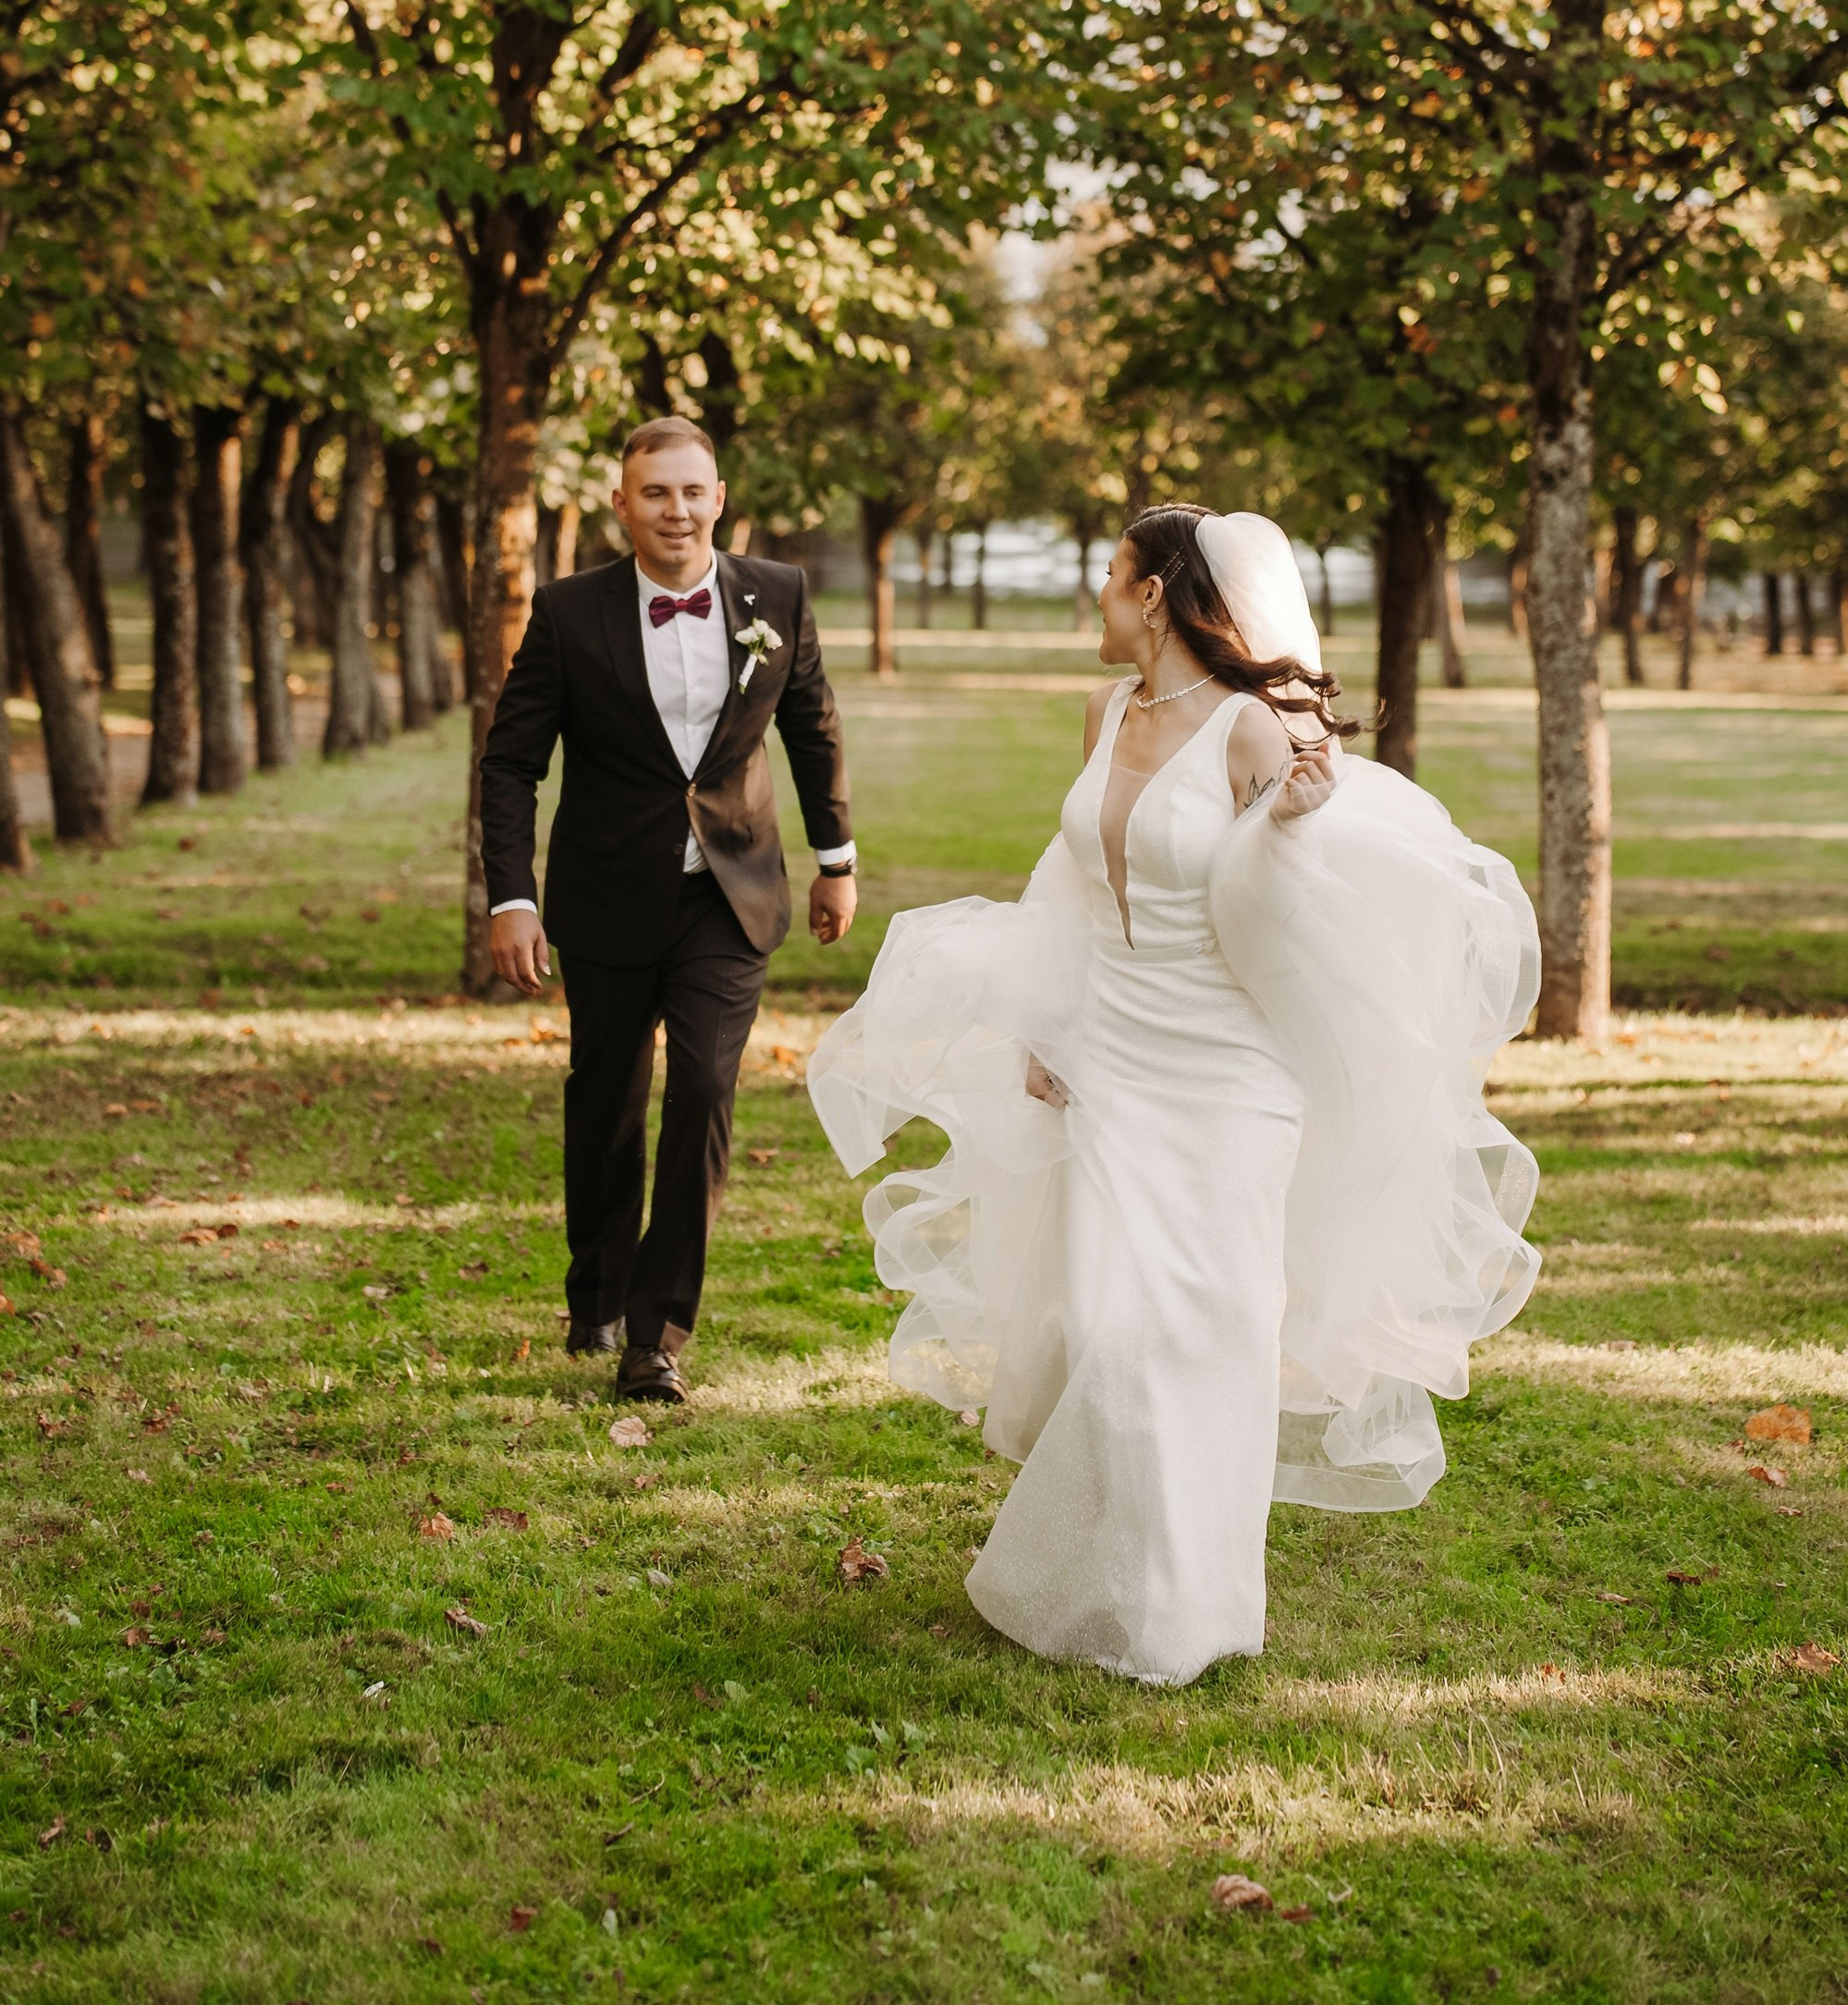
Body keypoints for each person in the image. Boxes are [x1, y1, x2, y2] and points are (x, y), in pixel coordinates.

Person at [808, 506, 1539, 1685]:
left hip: (1228, 1072)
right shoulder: (1103, 713)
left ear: (1152, 594)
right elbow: (1070, 882)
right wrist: (1044, 1021)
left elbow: (1298, 927)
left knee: (1208, 1332)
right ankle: (1108, 1580)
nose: (1094, 597)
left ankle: (1190, 1612)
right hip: (1108, 1061)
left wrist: (1286, 828)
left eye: (1109, 576)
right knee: (1111, 1327)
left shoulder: (1251, 730)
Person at [481, 419, 856, 1403]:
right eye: (655, 492)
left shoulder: (777, 595)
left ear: (719, 498)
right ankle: (598, 1294)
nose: (676, 511)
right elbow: (512, 763)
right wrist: (511, 896)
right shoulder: (568, 612)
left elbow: (811, 727)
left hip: (728, 896)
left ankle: (656, 1336)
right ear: (622, 504)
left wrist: (837, 860)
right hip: (605, 893)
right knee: (606, 1102)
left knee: (703, 1092)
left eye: (692, 492)